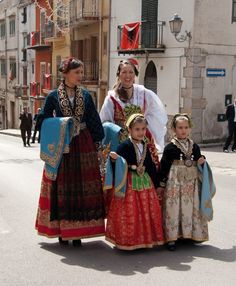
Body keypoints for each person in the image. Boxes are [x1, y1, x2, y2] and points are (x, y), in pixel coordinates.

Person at [35, 57, 105, 246]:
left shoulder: (86, 95)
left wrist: (98, 144)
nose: (80, 76)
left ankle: (79, 232)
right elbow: (43, 119)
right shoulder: (53, 96)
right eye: (77, 72)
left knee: (82, 186)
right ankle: (62, 230)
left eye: (82, 72)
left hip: (83, 144)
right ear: (65, 73)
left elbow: (93, 119)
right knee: (63, 186)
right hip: (62, 144)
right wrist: (58, 126)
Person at [104, 113, 164, 250]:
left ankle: (145, 239)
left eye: (143, 129)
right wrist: (114, 159)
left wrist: (157, 184)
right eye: (137, 129)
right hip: (129, 182)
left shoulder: (146, 146)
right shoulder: (124, 146)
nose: (141, 132)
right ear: (130, 130)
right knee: (130, 211)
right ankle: (128, 240)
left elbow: (150, 166)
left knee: (146, 210)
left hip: (145, 182)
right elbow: (117, 162)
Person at [157, 114, 215, 251]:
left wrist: (202, 160)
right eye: (180, 127)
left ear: (190, 129)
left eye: (186, 127)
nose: (183, 130)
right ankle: (171, 238)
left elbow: (199, 158)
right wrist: (160, 184)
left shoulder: (194, 146)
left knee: (190, 207)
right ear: (174, 129)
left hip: (191, 184)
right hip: (174, 183)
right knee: (174, 208)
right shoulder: (170, 147)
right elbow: (163, 166)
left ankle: (189, 234)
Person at [99, 59, 167, 153]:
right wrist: (118, 130)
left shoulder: (144, 93)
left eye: (131, 72)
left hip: (142, 139)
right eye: (124, 72)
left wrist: (143, 125)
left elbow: (156, 114)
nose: (128, 75)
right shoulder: (112, 98)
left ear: (135, 74)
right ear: (119, 74)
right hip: (121, 142)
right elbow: (104, 122)